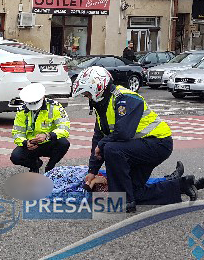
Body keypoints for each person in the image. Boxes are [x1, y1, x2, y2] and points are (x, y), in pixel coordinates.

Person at [72, 66, 175, 213]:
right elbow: (98, 137)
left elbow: (123, 133)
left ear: (98, 87)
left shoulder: (125, 98)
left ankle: (123, 201)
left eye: (87, 93)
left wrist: (101, 145)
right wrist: (92, 171)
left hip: (158, 143)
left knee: (111, 149)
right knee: (135, 191)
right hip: (140, 146)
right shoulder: (101, 104)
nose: (86, 97)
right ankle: (181, 185)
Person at [44, 161, 204, 204]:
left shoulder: (50, 173)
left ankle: (173, 181)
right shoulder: (46, 192)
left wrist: (93, 172)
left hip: (95, 176)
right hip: (96, 190)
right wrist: (92, 183)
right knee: (135, 190)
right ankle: (179, 184)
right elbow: (77, 198)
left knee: (134, 181)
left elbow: (75, 170)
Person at [10, 83, 72, 173]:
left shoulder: (54, 106)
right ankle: (35, 165)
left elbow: (64, 128)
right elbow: (17, 132)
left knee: (64, 143)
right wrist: (25, 142)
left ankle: (50, 168)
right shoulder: (22, 110)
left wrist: (48, 136)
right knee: (15, 157)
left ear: (43, 97)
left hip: (49, 142)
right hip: (31, 145)